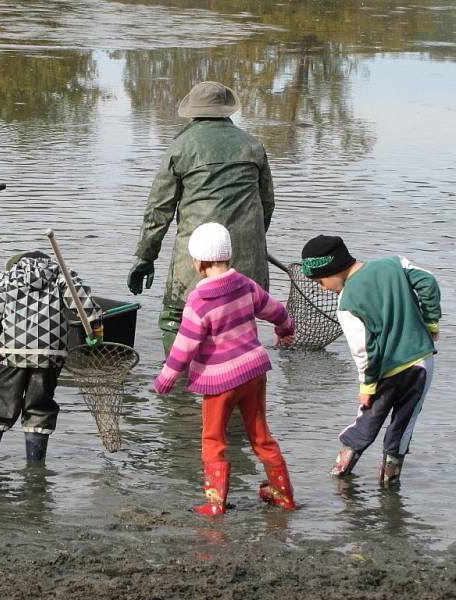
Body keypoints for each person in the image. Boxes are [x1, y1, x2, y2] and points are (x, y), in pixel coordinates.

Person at [152, 223, 296, 515]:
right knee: (261, 435)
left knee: (214, 439)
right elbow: (275, 309)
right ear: (228, 257)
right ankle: (283, 496)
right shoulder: (245, 284)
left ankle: (215, 503)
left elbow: (185, 345)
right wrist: (285, 328)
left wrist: (166, 379)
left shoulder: (199, 301)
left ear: (198, 262)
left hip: (220, 382)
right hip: (254, 372)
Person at [128, 81, 275, 355]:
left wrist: (145, 258)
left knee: (176, 320)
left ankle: (178, 392)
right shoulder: (253, 146)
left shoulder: (180, 147)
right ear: (227, 111)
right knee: (237, 328)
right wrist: (252, 245)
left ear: (193, 112)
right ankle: (234, 389)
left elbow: (159, 210)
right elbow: (266, 204)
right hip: (246, 267)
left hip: (195, 263)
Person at [301, 235, 440, 485]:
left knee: (367, 420)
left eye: (321, 281)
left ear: (332, 269)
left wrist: (367, 386)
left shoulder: (347, 303)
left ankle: (340, 473)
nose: (323, 288)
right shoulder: (395, 264)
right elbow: (428, 282)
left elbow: (364, 351)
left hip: (383, 372)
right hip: (420, 362)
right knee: (404, 424)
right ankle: (390, 484)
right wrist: (431, 321)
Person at [0, 251, 103, 463]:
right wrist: (95, 326)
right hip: (49, 355)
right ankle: (35, 469)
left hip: (11, 353)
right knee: (40, 407)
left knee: (0, 404)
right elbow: (82, 302)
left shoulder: (7, 278)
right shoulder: (61, 276)